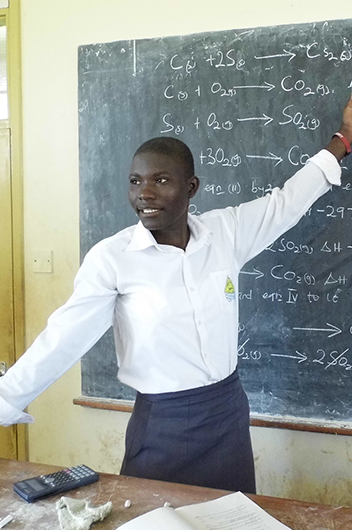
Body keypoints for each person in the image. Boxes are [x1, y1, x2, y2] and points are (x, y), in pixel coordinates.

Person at [1, 97, 352, 494]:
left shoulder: (227, 233)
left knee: (230, 517)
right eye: (136, 181)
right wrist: (5, 399)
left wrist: (345, 139)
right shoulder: (113, 259)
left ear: (192, 187)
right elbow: (63, 338)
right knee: (153, 515)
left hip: (226, 415)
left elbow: (289, 201)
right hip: (161, 425)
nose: (145, 193)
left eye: (161, 180)